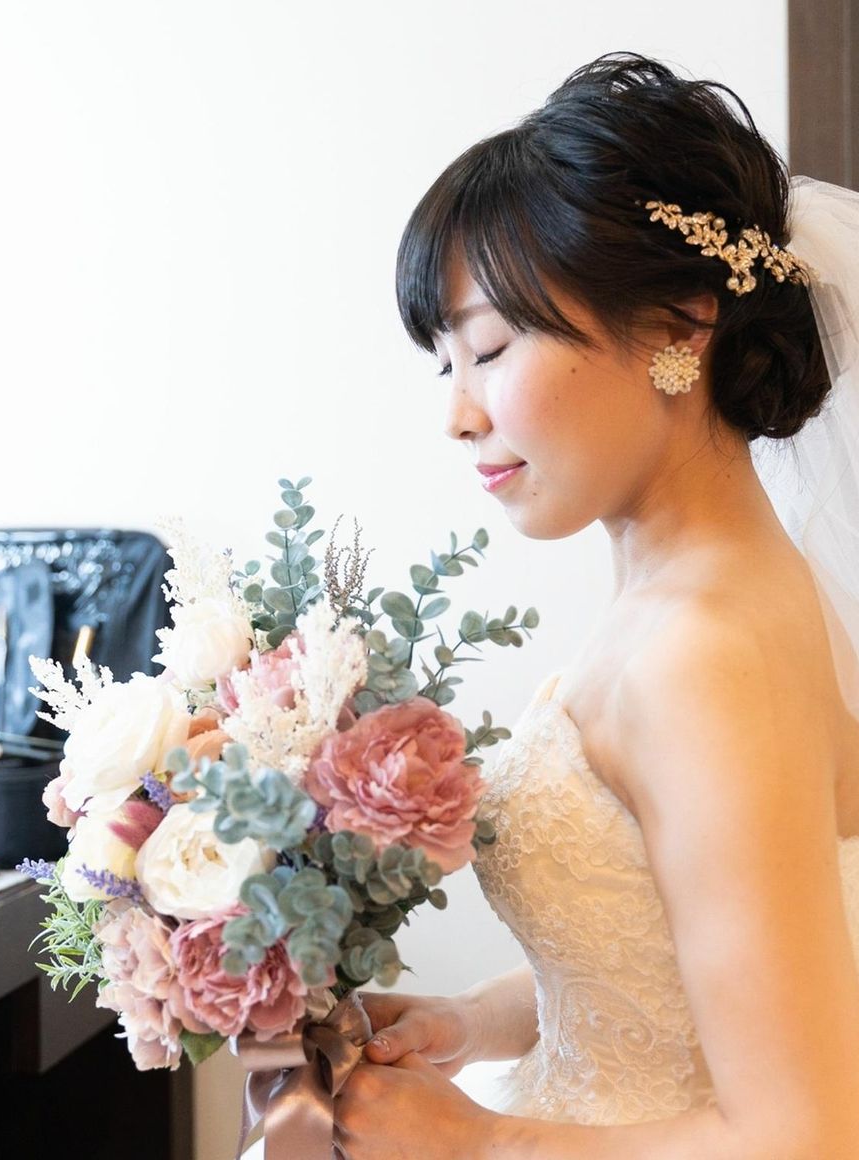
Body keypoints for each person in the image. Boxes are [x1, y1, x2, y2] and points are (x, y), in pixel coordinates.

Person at [335, 53, 859, 1159]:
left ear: (680, 325)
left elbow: (802, 1133)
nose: (459, 414)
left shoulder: (702, 653)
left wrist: (477, 1142)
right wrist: (469, 1021)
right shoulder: (697, 595)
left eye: (488, 348)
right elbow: (658, 956)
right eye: (445, 364)